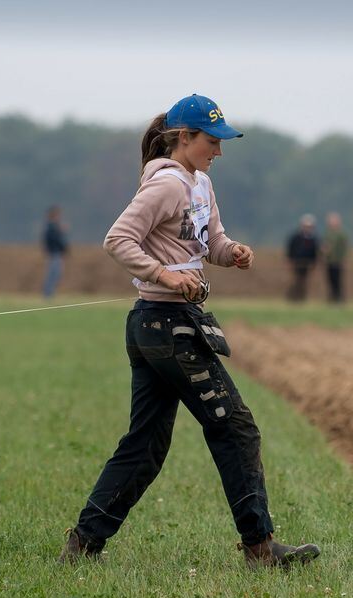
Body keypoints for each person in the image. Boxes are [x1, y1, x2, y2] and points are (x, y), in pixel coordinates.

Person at [60, 94, 320, 569]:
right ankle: (260, 549)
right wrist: (164, 275)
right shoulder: (166, 186)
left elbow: (209, 242)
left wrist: (231, 251)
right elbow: (118, 239)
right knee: (237, 429)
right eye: (211, 141)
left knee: (146, 445)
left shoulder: (201, 184)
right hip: (165, 326)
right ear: (185, 138)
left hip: (164, 328)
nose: (218, 151)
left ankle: (82, 546)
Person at [285, 214, 319, 302]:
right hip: (297, 263)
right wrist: (290, 261)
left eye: (309, 226)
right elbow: (290, 250)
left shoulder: (314, 239)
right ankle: (293, 298)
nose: (308, 228)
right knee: (296, 281)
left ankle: (302, 298)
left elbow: (315, 253)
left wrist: (314, 263)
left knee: (305, 282)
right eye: (306, 226)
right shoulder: (296, 238)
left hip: (307, 264)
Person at [42, 205, 69, 298]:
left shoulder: (52, 227)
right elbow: (55, 241)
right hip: (54, 254)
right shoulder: (51, 228)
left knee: (55, 275)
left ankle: (49, 294)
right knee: (53, 275)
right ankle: (48, 294)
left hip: (56, 254)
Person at [322, 212, 349, 304]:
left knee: (338, 282)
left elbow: (345, 248)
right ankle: (332, 299)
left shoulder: (341, 234)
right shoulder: (327, 234)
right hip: (329, 261)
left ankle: (340, 299)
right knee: (330, 281)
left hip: (338, 261)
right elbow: (323, 246)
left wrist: (344, 258)